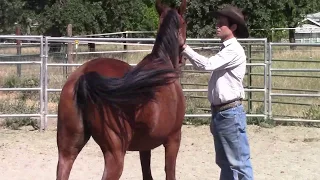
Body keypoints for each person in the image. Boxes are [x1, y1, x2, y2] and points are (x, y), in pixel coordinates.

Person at [179, 5, 254, 180]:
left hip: (228, 113)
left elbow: (206, 65)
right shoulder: (226, 49)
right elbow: (204, 65)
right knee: (226, 163)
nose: (217, 26)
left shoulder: (233, 50)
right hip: (222, 113)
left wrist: (184, 47)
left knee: (239, 163)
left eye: (222, 23)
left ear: (233, 27)